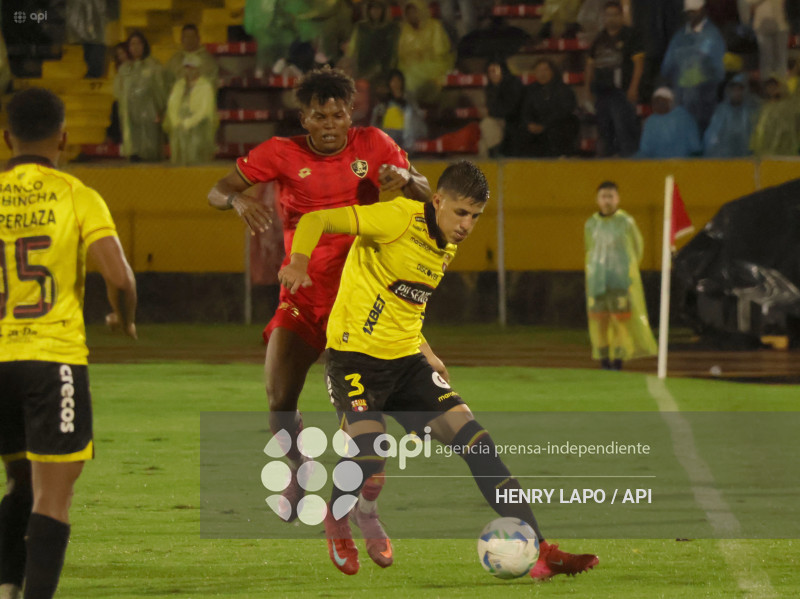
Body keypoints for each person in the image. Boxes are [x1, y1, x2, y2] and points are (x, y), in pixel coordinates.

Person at [278, 161, 599, 579]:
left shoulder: (445, 244)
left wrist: (427, 351)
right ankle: (338, 519)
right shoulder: (396, 217)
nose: (467, 225)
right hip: (353, 359)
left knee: (478, 444)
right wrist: (299, 262)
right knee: (370, 448)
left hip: (407, 364)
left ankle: (541, 551)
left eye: (476, 217)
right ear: (438, 200)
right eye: (461, 213)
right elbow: (317, 218)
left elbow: (404, 304)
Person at [207, 67, 436, 568]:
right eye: (318, 115)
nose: (328, 124)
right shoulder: (280, 152)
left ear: (350, 114)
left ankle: (363, 514)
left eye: (337, 114)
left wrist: (409, 179)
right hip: (304, 296)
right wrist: (238, 199)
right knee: (278, 399)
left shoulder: (375, 144)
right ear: (303, 116)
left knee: (365, 426)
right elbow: (217, 189)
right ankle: (299, 468)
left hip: (365, 304)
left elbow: (424, 193)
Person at [0, 88, 137, 599]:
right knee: (51, 498)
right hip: (50, 358)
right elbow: (120, 279)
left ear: (6, 138)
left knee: (18, 482)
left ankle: (7, 588)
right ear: (64, 136)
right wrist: (123, 320)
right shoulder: (76, 194)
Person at [584, 181, 656, 370]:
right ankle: (604, 359)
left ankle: (618, 359)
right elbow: (589, 250)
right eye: (603, 196)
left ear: (618, 198)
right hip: (598, 283)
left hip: (619, 282)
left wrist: (628, 272)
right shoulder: (591, 224)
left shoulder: (626, 222)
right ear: (597, 199)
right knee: (600, 321)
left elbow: (636, 248)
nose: (607, 200)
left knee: (619, 322)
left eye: (611, 196)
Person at [584, 0, 644, 157]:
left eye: (615, 15)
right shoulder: (599, 39)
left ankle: (628, 165)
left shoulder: (631, 36)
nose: (611, 18)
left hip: (622, 93)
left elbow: (638, 64)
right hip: (601, 92)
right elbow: (590, 66)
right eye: (608, 15)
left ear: (621, 16)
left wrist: (634, 87)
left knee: (624, 132)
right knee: (604, 133)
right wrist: (587, 90)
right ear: (604, 17)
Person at [660, 0, 726, 132]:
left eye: (694, 12)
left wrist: (702, 78)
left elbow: (719, 71)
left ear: (703, 11)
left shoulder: (712, 36)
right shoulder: (679, 36)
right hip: (681, 100)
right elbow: (667, 66)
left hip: (704, 101)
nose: (691, 15)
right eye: (689, 12)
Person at [114, 31, 168, 162]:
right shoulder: (124, 69)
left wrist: (160, 110)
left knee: (150, 151)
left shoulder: (154, 66)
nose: (135, 47)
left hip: (150, 114)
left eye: (139, 43)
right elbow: (118, 92)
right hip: (130, 115)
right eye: (132, 44)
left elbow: (161, 91)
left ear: (144, 46)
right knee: (134, 153)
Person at [163, 55, 219, 165]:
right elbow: (172, 105)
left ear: (198, 69)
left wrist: (188, 123)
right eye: (187, 67)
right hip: (179, 128)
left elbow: (204, 110)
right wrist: (177, 122)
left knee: (197, 159)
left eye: (192, 68)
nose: (189, 71)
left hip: (199, 128)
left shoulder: (205, 86)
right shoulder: (179, 85)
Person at [396, 0, 455, 105]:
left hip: (436, 65)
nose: (412, 15)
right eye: (409, 13)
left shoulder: (435, 26)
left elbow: (440, 52)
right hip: (411, 68)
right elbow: (402, 55)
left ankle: (411, 108)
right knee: (399, 76)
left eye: (415, 12)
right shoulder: (405, 30)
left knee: (409, 78)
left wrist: (421, 56)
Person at [520, 58, 580, 157]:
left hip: (556, 125)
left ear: (553, 71)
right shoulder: (531, 90)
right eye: (539, 71)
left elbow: (564, 111)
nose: (542, 74)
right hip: (536, 125)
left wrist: (544, 125)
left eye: (545, 70)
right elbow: (525, 110)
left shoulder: (564, 90)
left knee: (562, 128)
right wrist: (529, 123)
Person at [703, 72, 761, 156]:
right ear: (729, 91)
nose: (737, 93)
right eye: (734, 90)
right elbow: (712, 137)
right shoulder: (722, 111)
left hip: (747, 161)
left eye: (739, 89)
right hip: (725, 161)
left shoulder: (750, 111)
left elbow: (757, 136)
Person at [370, 69, 427, 153]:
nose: (396, 84)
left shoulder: (408, 97)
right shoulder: (385, 100)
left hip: (406, 131)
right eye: (393, 81)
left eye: (398, 81)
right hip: (390, 131)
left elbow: (415, 111)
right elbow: (376, 118)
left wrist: (421, 113)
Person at [344, 0, 399, 87]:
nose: (375, 11)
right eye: (373, 8)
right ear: (368, 10)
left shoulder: (390, 29)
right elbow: (352, 50)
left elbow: (393, 51)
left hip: (384, 73)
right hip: (363, 71)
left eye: (378, 8)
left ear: (383, 10)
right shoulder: (361, 28)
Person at [636, 86, 702, 157]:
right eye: (657, 101)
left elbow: (644, 150)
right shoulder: (685, 117)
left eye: (661, 101)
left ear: (670, 102)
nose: (659, 104)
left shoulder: (651, 122)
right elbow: (695, 146)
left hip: (660, 166)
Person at [479, 58, 525, 157]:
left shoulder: (514, 84)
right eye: (490, 72)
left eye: (495, 70)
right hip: (499, 122)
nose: (492, 74)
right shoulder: (490, 88)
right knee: (482, 145)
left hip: (514, 122)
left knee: (487, 124)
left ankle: (497, 157)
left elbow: (511, 109)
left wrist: (491, 112)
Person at [750, 75, 800, 156]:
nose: (771, 89)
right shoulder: (764, 108)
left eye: (774, 86)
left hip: (787, 154)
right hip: (765, 155)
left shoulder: (791, 106)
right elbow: (758, 131)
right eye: (769, 87)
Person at [742, 0, 789, 80]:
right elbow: (747, 3)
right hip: (762, 26)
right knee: (767, 58)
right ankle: (766, 85)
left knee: (781, 57)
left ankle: (781, 85)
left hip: (781, 24)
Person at [165, 24, 219, 90]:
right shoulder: (175, 59)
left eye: (192, 37)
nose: (189, 40)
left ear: (198, 39)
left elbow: (211, 83)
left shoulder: (207, 61)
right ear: (181, 39)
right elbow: (166, 80)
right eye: (186, 37)